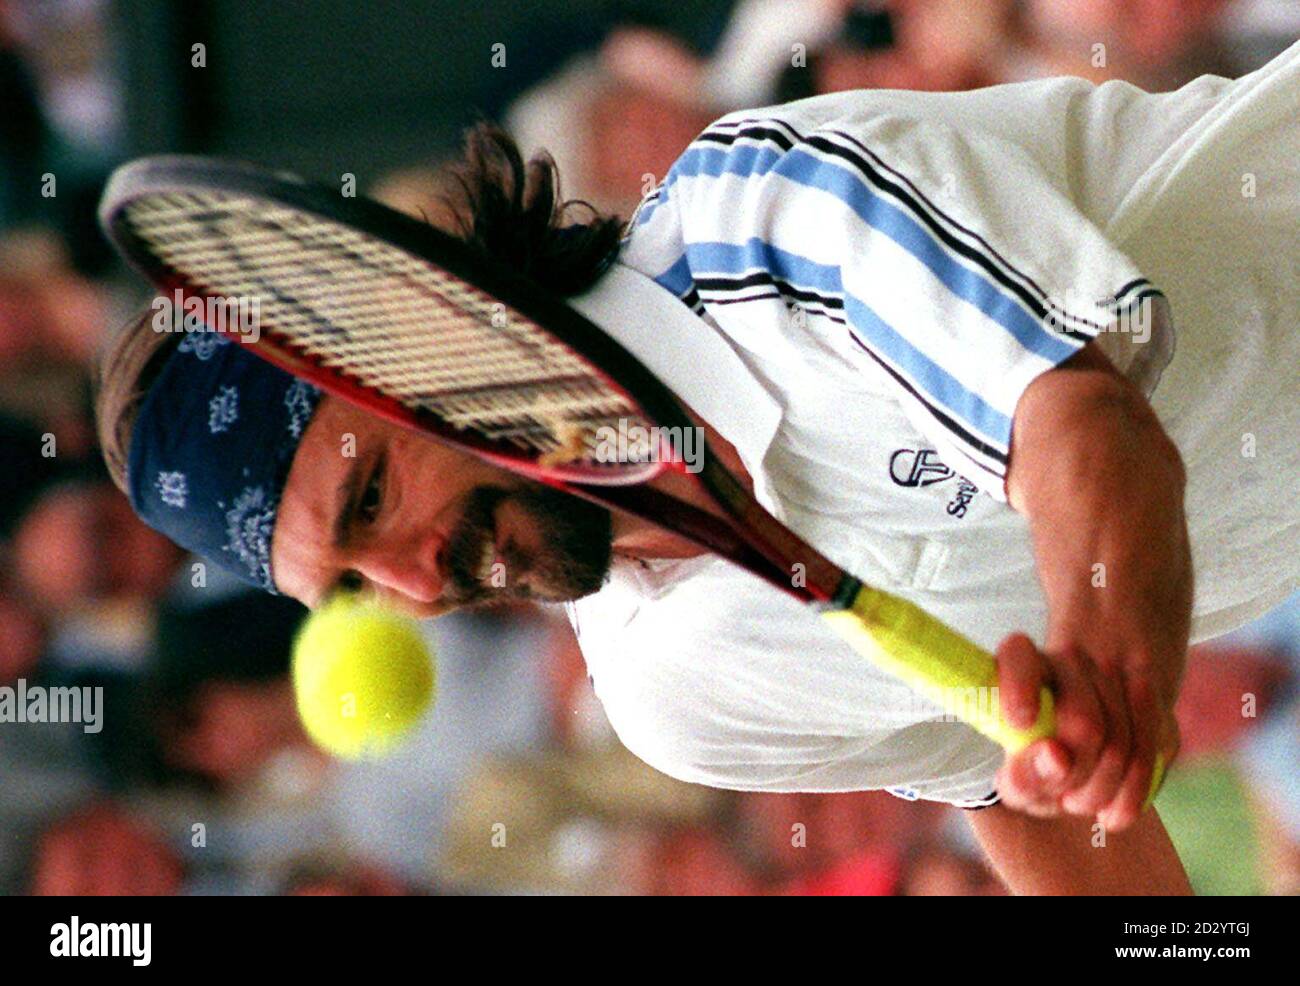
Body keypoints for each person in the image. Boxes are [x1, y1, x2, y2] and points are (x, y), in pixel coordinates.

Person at [95, 41, 1300, 894]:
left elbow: (1083, 424)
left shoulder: (757, 213)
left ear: (432, 333)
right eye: (351, 589)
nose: (413, 586)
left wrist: (1105, 650)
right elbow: (1011, 789)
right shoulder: (674, 701)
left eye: (370, 497)